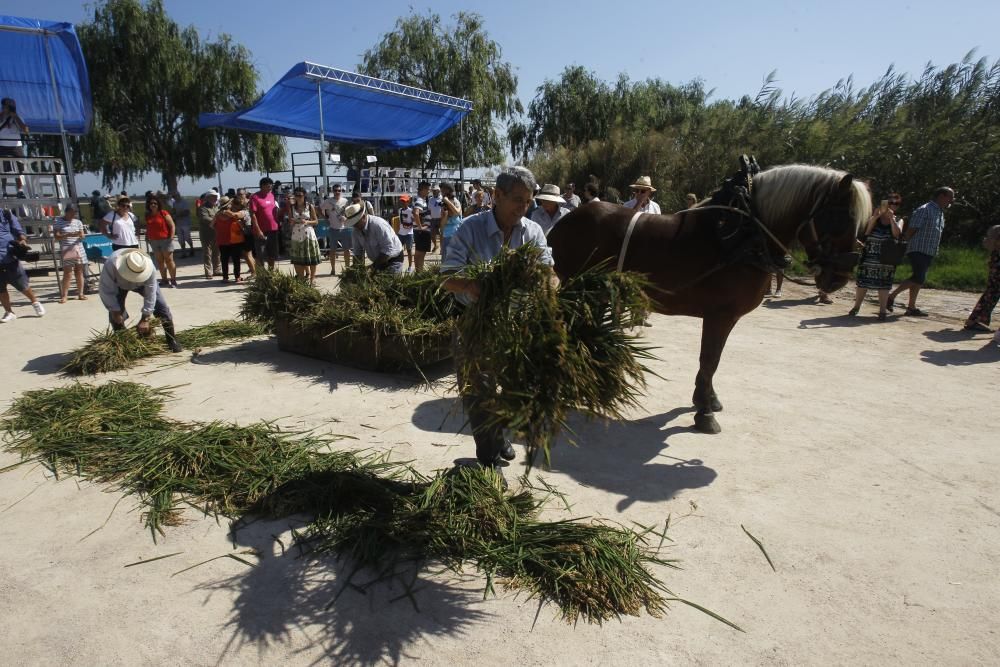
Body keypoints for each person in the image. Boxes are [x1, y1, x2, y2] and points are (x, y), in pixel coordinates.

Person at [441, 166, 557, 483]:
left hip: (517, 327)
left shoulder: (531, 232)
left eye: (528, 202)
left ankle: (500, 434)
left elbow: (549, 272)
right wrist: (473, 286)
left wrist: (550, 290)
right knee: (479, 393)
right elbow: (447, 276)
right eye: (517, 200)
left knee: (519, 389)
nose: (523, 208)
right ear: (497, 196)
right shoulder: (470, 228)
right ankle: (489, 460)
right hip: (474, 324)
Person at [887, 186, 955, 316]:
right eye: (950, 197)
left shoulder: (940, 212)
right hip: (918, 248)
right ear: (941, 196)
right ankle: (891, 297)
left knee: (919, 278)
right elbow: (912, 229)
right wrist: (903, 243)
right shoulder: (925, 209)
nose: (951, 201)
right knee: (919, 277)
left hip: (929, 250)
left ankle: (911, 307)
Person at [99, 248, 182, 352]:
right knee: (115, 315)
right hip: (118, 285)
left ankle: (172, 340)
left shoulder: (148, 267)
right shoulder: (111, 264)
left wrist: (145, 318)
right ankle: (123, 343)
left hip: (142, 284)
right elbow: (106, 290)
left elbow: (151, 294)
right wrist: (115, 311)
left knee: (162, 307)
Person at [848, 193, 904, 320]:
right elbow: (867, 232)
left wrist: (892, 219)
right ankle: (856, 307)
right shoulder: (875, 218)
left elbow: (897, 235)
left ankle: (882, 311)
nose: (893, 206)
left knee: (884, 284)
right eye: (891, 202)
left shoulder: (899, 219)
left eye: (897, 204)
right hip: (870, 255)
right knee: (863, 283)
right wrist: (874, 217)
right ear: (884, 203)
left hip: (886, 257)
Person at [1, 208, 45, 322]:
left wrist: (22, 240)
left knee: (22, 283)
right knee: (1, 289)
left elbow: (18, 229)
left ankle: (35, 302)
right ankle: (9, 312)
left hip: (8, 255)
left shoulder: (5, 213)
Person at [346, 201, 405, 274]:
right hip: (378, 261)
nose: (354, 225)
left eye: (356, 222)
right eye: (353, 224)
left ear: (363, 216)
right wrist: (356, 270)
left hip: (393, 260)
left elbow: (388, 249)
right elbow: (358, 252)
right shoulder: (356, 230)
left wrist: (372, 267)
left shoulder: (378, 225)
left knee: (389, 284)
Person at [964, 225, 1000, 332]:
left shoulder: (997, 228)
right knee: (992, 293)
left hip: (995, 262)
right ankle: (974, 320)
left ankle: (974, 320)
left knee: (991, 293)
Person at [53, 202, 88, 303]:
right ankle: (64, 296)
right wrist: (67, 235)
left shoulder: (78, 222)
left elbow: (82, 235)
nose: (74, 215)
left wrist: (80, 235)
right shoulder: (58, 221)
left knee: (79, 271)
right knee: (67, 273)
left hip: (78, 248)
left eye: (75, 213)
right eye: (72, 212)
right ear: (67, 212)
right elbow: (57, 236)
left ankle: (81, 293)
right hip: (66, 248)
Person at [288, 186, 322, 284]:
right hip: (296, 234)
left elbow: (316, 221)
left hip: (308, 233)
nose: (298, 197)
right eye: (296, 195)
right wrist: (292, 221)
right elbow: (290, 220)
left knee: (311, 257)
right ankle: (301, 279)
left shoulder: (309, 206)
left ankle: (312, 278)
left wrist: (307, 222)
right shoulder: (291, 207)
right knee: (297, 258)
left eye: (300, 195)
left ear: (304, 196)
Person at [145, 198, 177, 288]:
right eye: (151, 203)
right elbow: (148, 227)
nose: (153, 205)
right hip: (154, 240)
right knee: (160, 261)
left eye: (155, 203)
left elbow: (172, 225)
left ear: (158, 204)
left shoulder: (164, 213)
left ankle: (173, 280)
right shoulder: (148, 215)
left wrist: (171, 237)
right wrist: (147, 236)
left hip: (165, 240)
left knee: (169, 260)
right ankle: (164, 279)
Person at [250, 177, 280, 270]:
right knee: (260, 254)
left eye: (271, 186)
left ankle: (271, 274)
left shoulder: (272, 195)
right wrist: (258, 230)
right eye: (268, 186)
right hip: (261, 231)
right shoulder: (255, 197)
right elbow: (253, 215)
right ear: (262, 186)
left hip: (273, 229)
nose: (270, 188)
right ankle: (261, 276)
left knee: (272, 254)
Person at [213, 196, 243, 283]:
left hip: (221, 239)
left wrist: (219, 229)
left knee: (224, 259)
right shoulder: (231, 214)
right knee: (236, 259)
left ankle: (225, 277)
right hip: (233, 239)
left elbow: (211, 225)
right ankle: (237, 277)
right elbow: (239, 223)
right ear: (228, 205)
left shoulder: (217, 214)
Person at [321, 184, 349, 275]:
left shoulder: (345, 201)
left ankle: (347, 269)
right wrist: (325, 219)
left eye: (339, 190)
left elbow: (350, 212)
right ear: (332, 191)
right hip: (333, 229)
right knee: (332, 251)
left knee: (346, 250)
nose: (337, 192)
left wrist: (346, 217)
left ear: (341, 191)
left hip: (344, 228)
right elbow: (318, 208)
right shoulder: (328, 201)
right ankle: (333, 270)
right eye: (335, 190)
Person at [198, 190, 222, 278]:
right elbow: (205, 219)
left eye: (216, 196)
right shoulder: (202, 208)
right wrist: (218, 220)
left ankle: (217, 270)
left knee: (217, 253)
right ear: (207, 198)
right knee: (207, 253)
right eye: (213, 196)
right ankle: (208, 272)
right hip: (206, 234)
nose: (215, 198)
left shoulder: (217, 207)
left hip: (216, 233)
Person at [233, 188, 256, 277]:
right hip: (248, 233)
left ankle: (254, 272)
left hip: (247, 234)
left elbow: (234, 215)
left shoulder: (243, 211)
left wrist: (225, 211)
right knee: (249, 254)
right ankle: (254, 271)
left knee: (247, 254)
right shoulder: (245, 209)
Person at [439, 182, 464, 261]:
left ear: (449, 190)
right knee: (445, 258)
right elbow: (442, 224)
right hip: (446, 235)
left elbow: (457, 212)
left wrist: (448, 202)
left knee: (456, 258)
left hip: (456, 233)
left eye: (443, 190)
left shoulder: (456, 201)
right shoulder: (443, 204)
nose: (441, 192)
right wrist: (445, 215)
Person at [413, 181, 433, 270]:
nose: (429, 191)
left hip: (420, 230)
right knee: (421, 253)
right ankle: (419, 272)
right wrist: (420, 227)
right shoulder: (419, 200)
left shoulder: (420, 199)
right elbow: (416, 213)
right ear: (423, 190)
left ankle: (418, 271)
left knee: (419, 252)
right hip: (422, 231)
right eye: (428, 189)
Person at [396, 193, 417, 271]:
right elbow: (399, 221)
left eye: (404, 201)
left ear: (408, 202)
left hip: (409, 233)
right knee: (398, 250)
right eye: (402, 201)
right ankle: (399, 265)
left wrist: (410, 224)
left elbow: (414, 221)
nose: (403, 203)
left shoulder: (411, 211)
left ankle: (410, 266)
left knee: (409, 250)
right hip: (401, 233)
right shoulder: (400, 210)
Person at [171, 192, 193, 258]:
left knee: (187, 237)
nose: (174, 198)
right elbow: (174, 210)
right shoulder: (174, 203)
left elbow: (187, 212)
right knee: (180, 239)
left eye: (175, 196)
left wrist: (178, 215)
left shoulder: (184, 202)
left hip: (185, 223)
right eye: (173, 197)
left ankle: (192, 248)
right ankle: (183, 252)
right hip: (178, 223)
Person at [427, 184, 443, 252]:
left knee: (441, 234)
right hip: (433, 219)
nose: (434, 192)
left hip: (441, 219)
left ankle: (442, 248)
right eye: (433, 191)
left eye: (435, 191)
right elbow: (429, 209)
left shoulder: (442, 198)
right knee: (432, 234)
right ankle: (435, 245)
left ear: (438, 191)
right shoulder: (430, 199)